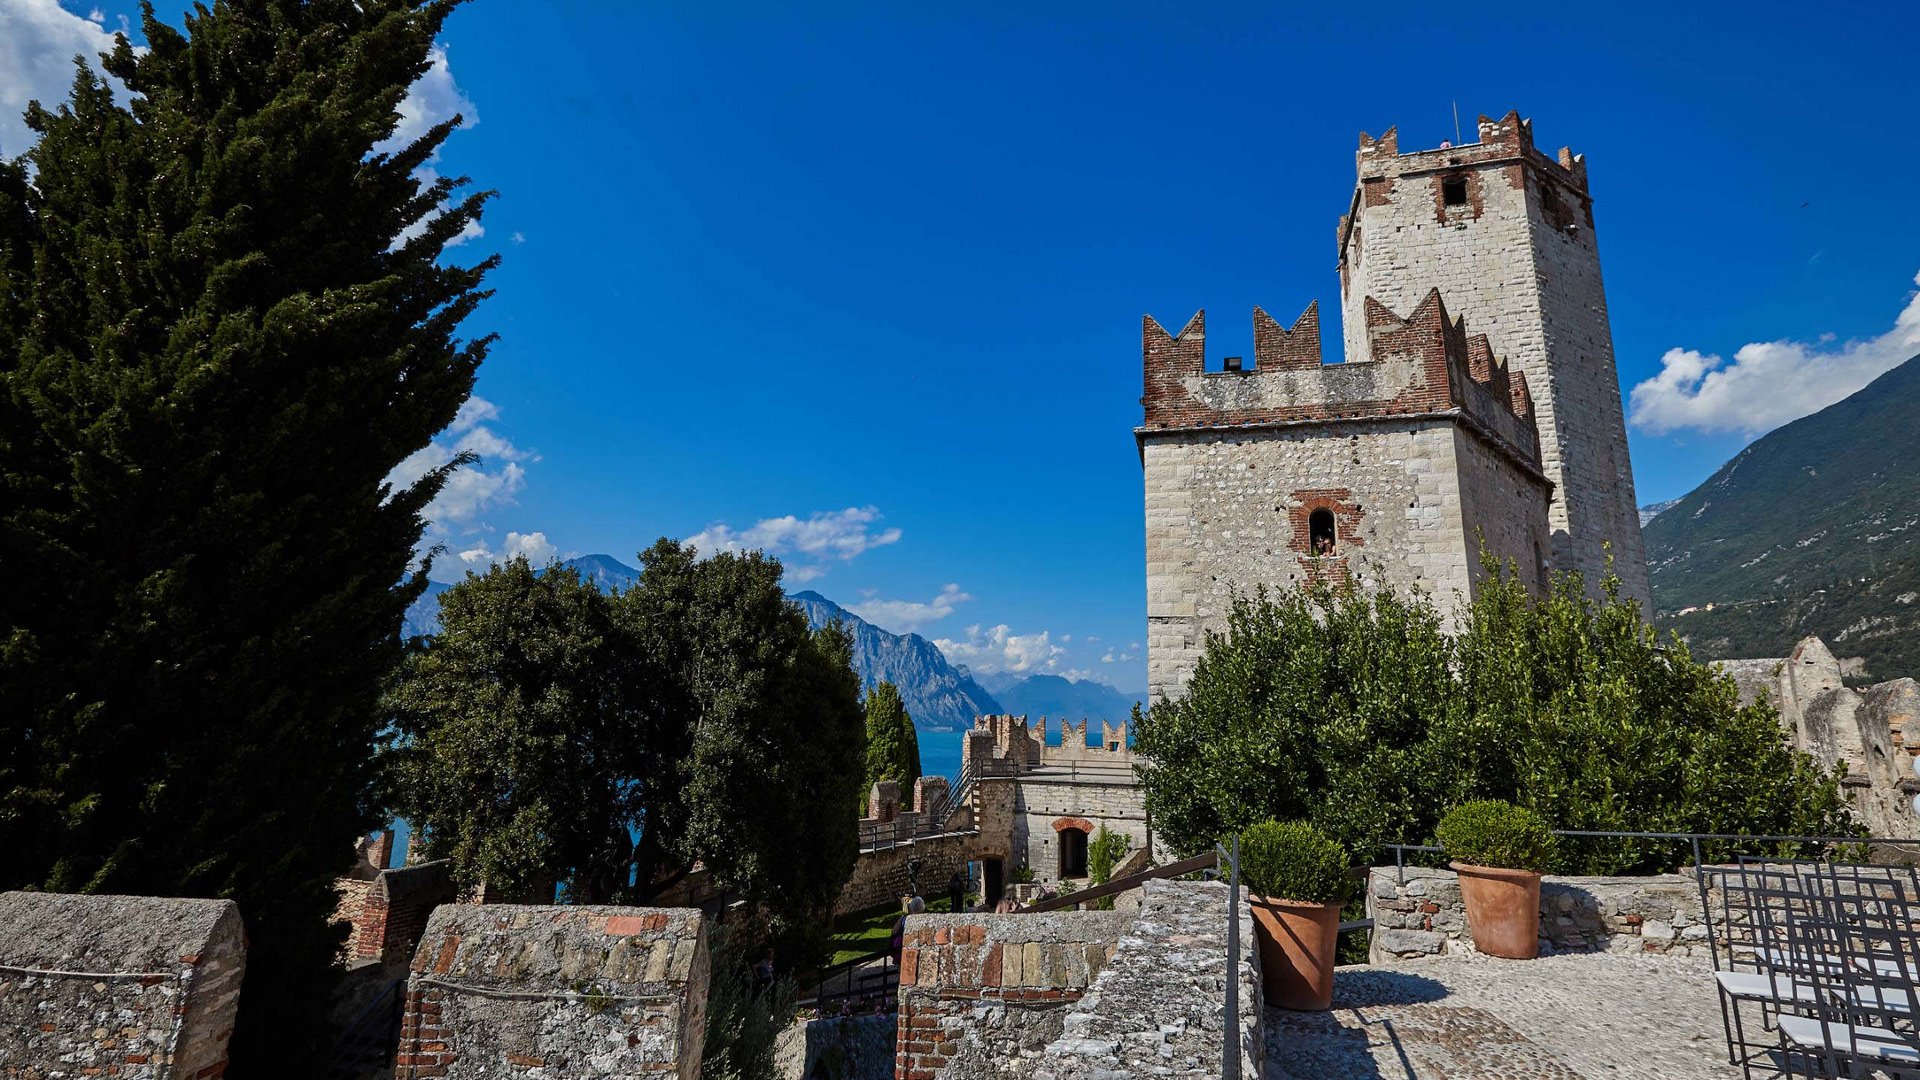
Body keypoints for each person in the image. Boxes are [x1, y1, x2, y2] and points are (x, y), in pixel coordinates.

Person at [889, 895, 925, 968]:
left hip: (903, 948)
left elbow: (894, 932)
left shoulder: (904, 919)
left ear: (911, 908)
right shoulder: (925, 919)